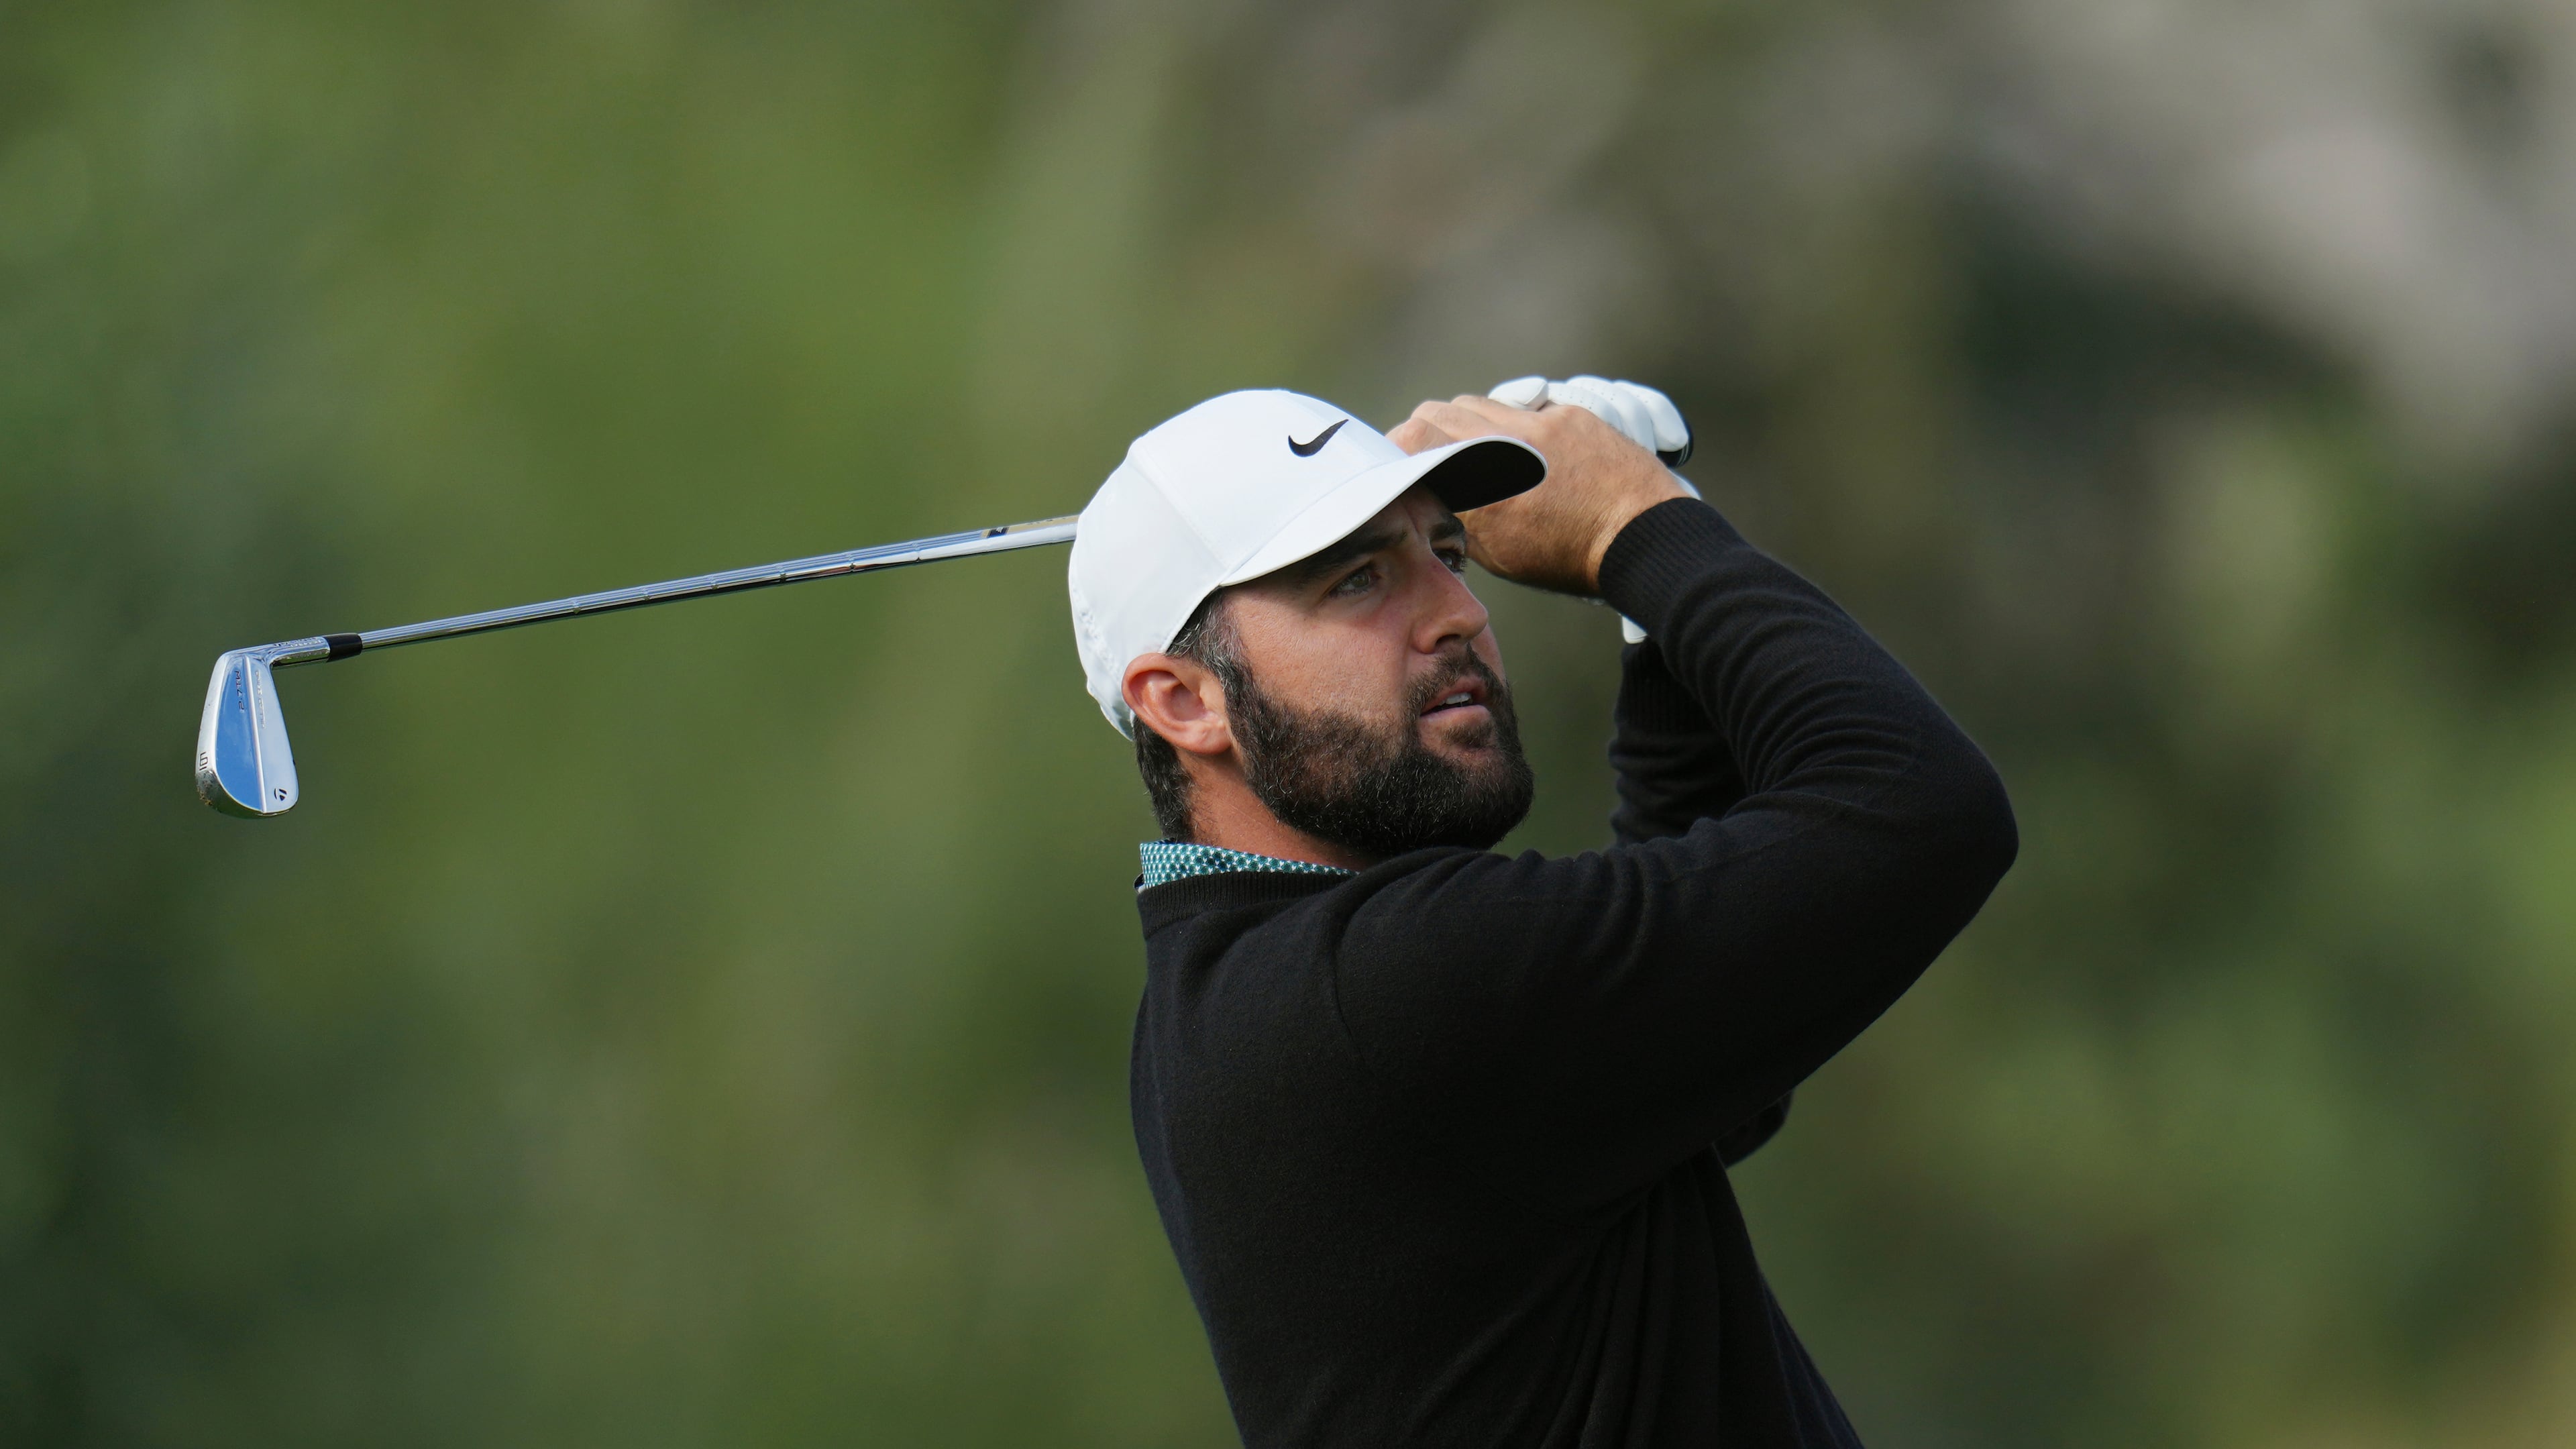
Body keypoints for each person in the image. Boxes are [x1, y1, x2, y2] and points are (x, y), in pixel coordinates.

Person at [1065, 383, 2017, 1447]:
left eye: (1447, 554)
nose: (1460, 614)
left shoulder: (1236, 995)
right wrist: (1636, 525)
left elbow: (1704, 1058)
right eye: (1357, 580)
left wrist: (1653, 609)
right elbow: (1919, 809)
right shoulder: (1384, 987)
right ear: (1184, 702)